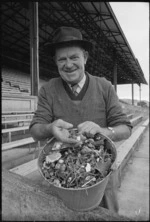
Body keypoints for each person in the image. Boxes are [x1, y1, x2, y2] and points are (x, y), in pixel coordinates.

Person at [29, 26, 132, 213]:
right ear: (55, 62)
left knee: (107, 213)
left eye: (74, 57)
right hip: (63, 174)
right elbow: (36, 130)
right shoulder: (48, 90)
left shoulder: (104, 86)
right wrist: (50, 127)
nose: (68, 64)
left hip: (101, 170)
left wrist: (104, 131)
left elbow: (125, 127)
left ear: (85, 57)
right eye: (62, 59)